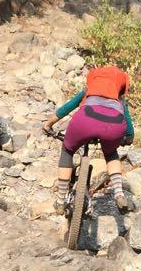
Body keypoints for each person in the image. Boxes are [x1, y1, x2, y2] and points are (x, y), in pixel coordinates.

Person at [43, 65, 134, 214]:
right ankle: (119, 193)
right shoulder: (120, 100)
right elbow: (129, 130)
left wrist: (48, 125)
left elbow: (65, 109)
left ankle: (60, 201)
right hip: (113, 126)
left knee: (68, 150)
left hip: (84, 121)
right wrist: (127, 139)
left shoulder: (88, 91)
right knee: (111, 154)